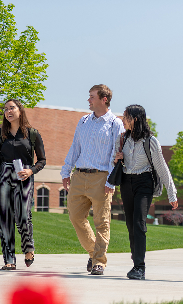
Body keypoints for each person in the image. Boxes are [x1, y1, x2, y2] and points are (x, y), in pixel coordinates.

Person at [61, 84, 125, 276]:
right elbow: (75, 147)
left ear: (104, 99)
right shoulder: (83, 121)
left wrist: (110, 181)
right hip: (79, 176)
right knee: (75, 217)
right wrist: (66, 171)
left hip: (101, 177)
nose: (88, 100)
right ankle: (93, 252)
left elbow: (116, 154)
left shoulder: (115, 123)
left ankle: (99, 262)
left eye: (92, 97)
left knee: (102, 222)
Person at [114, 105, 177, 280]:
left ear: (134, 119)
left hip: (144, 182)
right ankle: (136, 258)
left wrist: (172, 194)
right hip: (127, 182)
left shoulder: (151, 141)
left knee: (139, 222)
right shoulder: (123, 139)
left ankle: (139, 267)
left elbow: (162, 168)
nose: (122, 119)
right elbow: (116, 161)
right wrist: (117, 158)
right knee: (130, 224)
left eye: (125, 116)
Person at [0, 99, 46, 270]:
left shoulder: (32, 134)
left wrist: (31, 171)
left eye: (11, 108)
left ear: (20, 110)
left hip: (24, 176)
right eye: (5, 109)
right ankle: (9, 259)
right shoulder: (0, 134)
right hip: (4, 175)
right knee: (5, 217)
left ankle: (28, 248)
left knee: (23, 215)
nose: (8, 111)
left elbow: (42, 160)